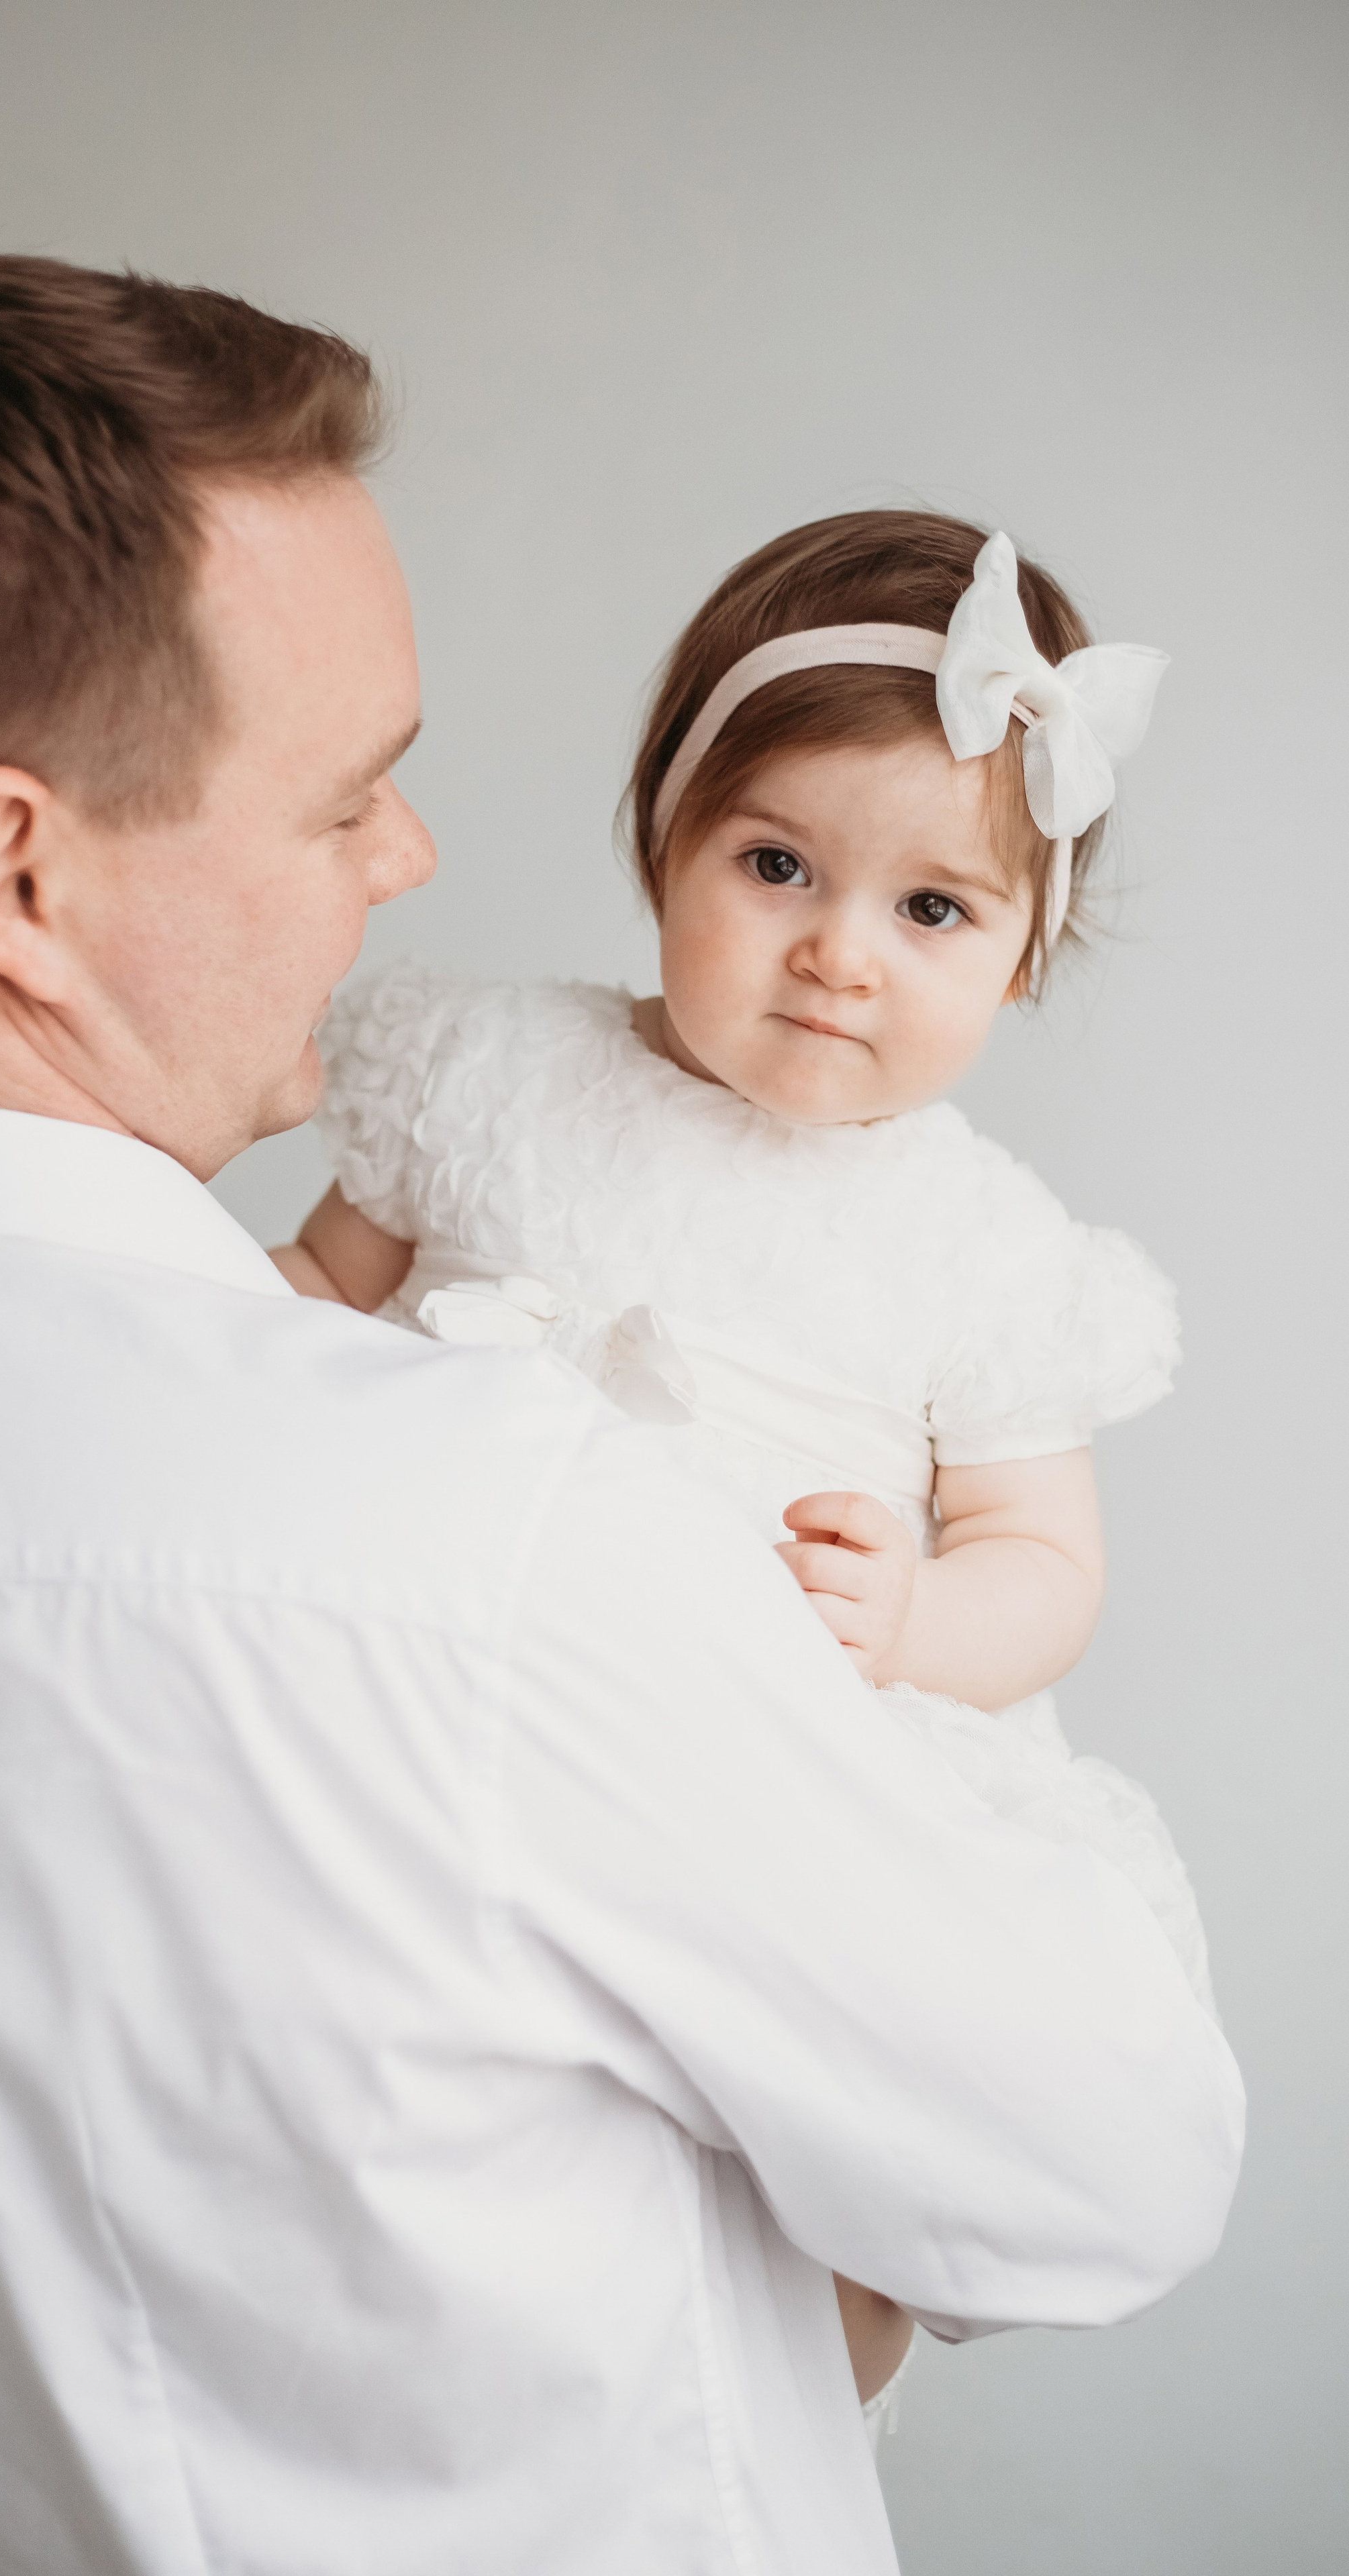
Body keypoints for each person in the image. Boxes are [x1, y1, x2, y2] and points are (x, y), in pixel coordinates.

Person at [0, 254, 1241, 2576]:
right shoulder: (493, 1549)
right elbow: (1117, 2164)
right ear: (18, 877)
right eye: (343, 799)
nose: (411, 860)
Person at [279, 507, 1217, 2426]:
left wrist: (912, 1618)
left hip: (785, 1760)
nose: (837, 956)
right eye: (777, 865)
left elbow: (1045, 1563)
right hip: (444, 1677)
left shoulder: (983, 1249)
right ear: (666, 839)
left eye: (932, 911)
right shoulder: (489, 1072)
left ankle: (777, 2399)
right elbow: (306, 1296)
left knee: (804, 2170)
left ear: (1025, 952)